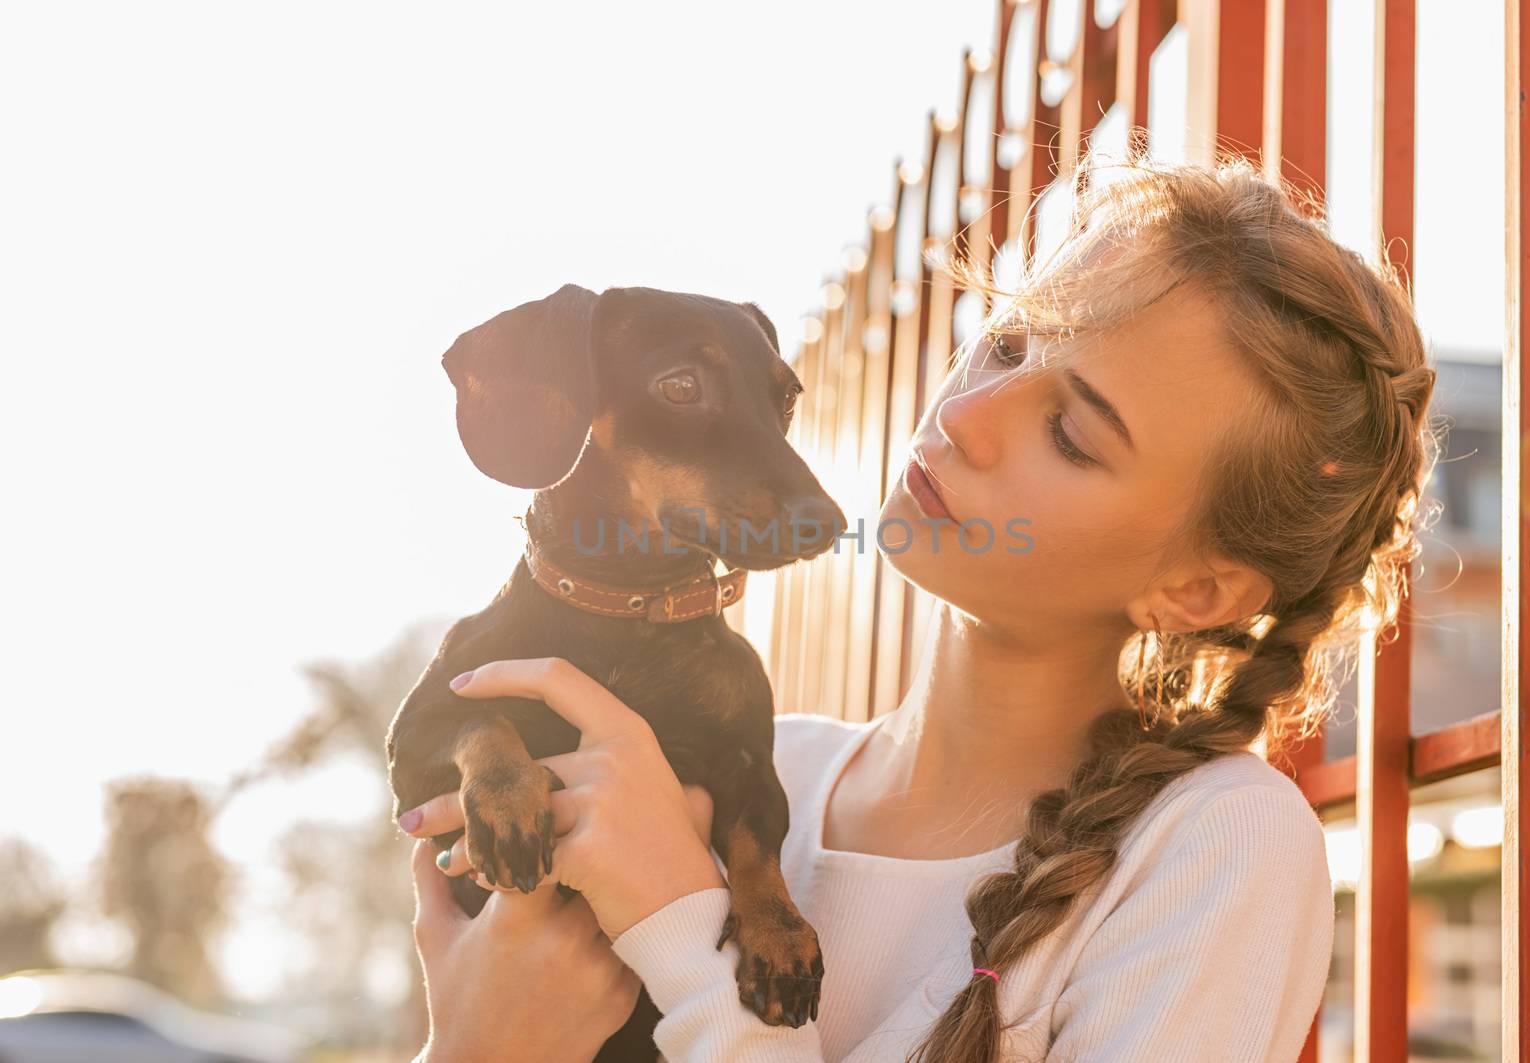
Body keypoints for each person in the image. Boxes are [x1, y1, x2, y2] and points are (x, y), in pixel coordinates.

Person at [394, 155, 1440, 1062]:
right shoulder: (761, 772)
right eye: (1006, 348)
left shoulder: (1214, 849)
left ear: (1195, 589)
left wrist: (682, 930)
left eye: (1072, 435)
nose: (967, 417)